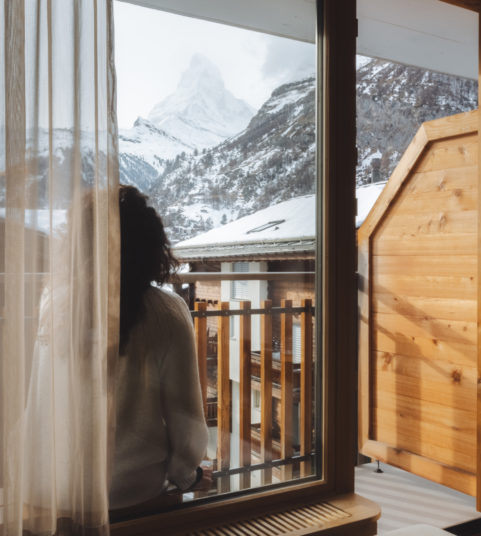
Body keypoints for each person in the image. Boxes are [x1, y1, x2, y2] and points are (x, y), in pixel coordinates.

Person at [109, 185, 210, 519]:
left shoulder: (56, 303)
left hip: (57, 485)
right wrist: (188, 474)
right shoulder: (166, 311)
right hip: (131, 490)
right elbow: (186, 418)